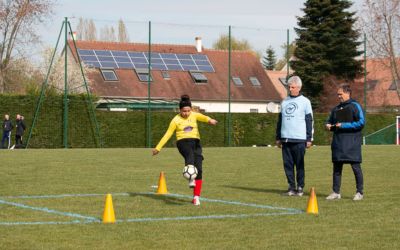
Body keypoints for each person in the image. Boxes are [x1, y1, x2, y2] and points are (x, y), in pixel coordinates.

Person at [152, 95, 218, 206]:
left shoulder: (194, 115)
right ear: (180, 110)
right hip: (183, 143)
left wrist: (210, 120)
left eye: (188, 111)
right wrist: (158, 147)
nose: (186, 113)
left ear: (191, 109)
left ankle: (196, 197)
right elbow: (168, 134)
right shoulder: (175, 120)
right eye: (184, 111)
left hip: (196, 143)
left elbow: (204, 118)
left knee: (199, 169)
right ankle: (191, 179)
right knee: (190, 155)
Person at [325, 84, 365, 201]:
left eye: (340, 94)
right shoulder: (336, 109)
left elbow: (361, 123)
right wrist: (328, 125)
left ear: (347, 93)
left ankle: (359, 192)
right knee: (337, 169)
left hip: (352, 143)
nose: (338, 96)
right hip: (338, 143)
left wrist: (344, 125)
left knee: (356, 168)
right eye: (338, 94)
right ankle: (336, 192)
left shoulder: (355, 106)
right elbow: (330, 122)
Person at [276, 76, 313, 196]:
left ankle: (300, 187)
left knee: (299, 164)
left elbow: (309, 120)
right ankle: (291, 187)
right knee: (288, 165)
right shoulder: (285, 101)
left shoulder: (305, 101)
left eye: (292, 87)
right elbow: (280, 120)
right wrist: (278, 137)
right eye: (289, 87)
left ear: (299, 87)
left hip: (299, 139)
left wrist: (309, 138)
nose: (290, 89)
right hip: (286, 139)